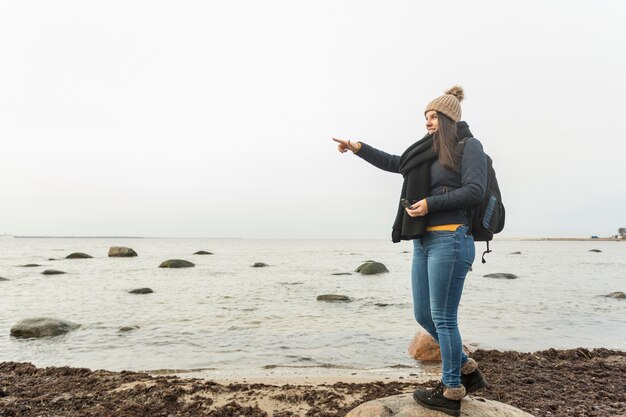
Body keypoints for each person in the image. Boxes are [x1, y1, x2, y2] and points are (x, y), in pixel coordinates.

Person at [333, 86, 488, 417]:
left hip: (451, 237)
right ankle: (467, 370)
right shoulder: (426, 151)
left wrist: (431, 203)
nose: (428, 123)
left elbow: (475, 190)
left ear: (447, 118)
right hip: (423, 240)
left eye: (432, 117)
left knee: (444, 318)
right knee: (423, 315)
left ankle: (451, 390)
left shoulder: (469, 146)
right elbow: (396, 162)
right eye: (425, 117)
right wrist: (359, 148)